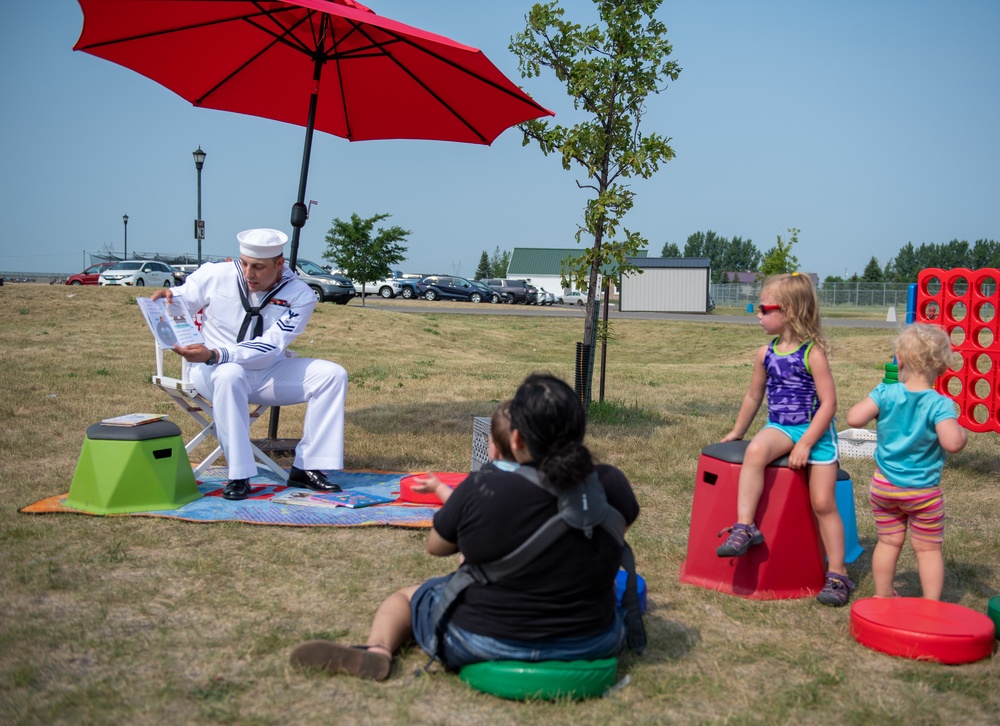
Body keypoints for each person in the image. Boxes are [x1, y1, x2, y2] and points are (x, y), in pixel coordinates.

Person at [289, 374, 640, 680]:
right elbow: (601, 541)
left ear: (515, 439)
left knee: (408, 597)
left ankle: (378, 650)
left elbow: (437, 546)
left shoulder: (484, 487)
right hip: (592, 640)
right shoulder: (611, 484)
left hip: (483, 639)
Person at [151, 228, 348, 501]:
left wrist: (216, 353)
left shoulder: (300, 294)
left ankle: (307, 467)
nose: (248, 273)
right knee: (230, 373)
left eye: (258, 267)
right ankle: (239, 474)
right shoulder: (216, 274)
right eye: (243, 263)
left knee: (333, 375)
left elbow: (272, 344)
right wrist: (169, 300)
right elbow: (182, 300)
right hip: (213, 372)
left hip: (265, 370)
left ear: (279, 264)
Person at [717, 273, 853, 606]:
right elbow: (753, 396)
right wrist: (737, 432)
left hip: (815, 433)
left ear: (788, 311)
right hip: (780, 426)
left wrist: (806, 442)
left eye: (764, 309)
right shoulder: (765, 353)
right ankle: (745, 526)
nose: (758, 315)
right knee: (756, 452)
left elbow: (829, 404)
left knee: (822, 502)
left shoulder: (813, 354)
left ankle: (838, 573)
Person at [846, 324, 967, 600]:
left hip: (884, 487)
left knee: (888, 542)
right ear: (943, 367)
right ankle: (931, 605)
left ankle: (882, 595)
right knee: (927, 549)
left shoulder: (884, 393)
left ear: (898, 359)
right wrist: (962, 433)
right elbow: (952, 443)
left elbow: (853, 418)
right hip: (921, 491)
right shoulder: (939, 404)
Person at [409, 400, 518, 505]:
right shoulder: (533, 481)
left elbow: (453, 510)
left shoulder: (477, 482)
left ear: (495, 450)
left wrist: (438, 488)